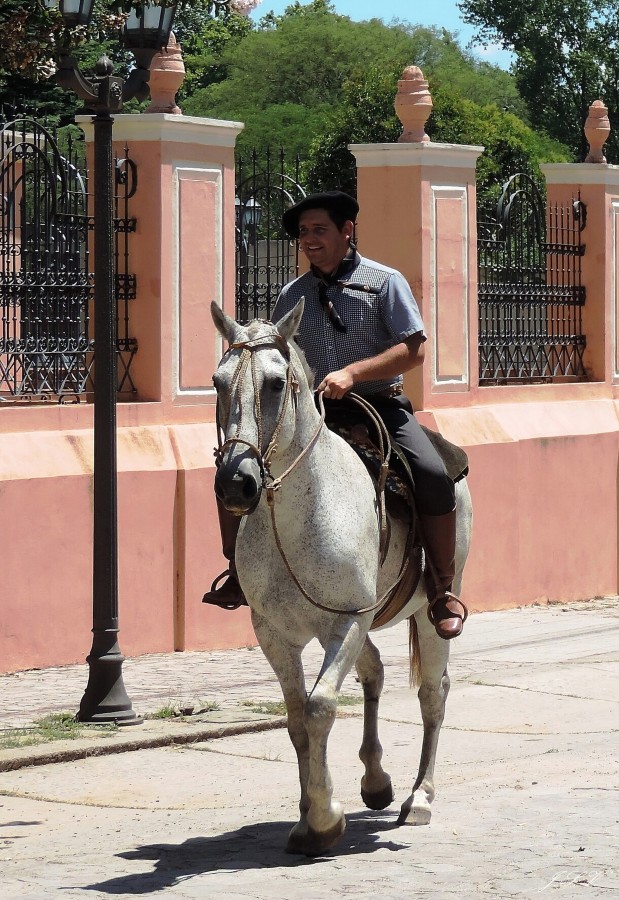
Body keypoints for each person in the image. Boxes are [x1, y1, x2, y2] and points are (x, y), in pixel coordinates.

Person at [203, 191, 467, 640]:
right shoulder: (292, 293)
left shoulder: (385, 282)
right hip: (310, 415)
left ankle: (441, 589)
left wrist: (351, 373)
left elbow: (413, 349)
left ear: (347, 231)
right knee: (233, 467)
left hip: (378, 406)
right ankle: (238, 571)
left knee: (432, 474)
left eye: (319, 229)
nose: (308, 239)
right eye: (303, 232)